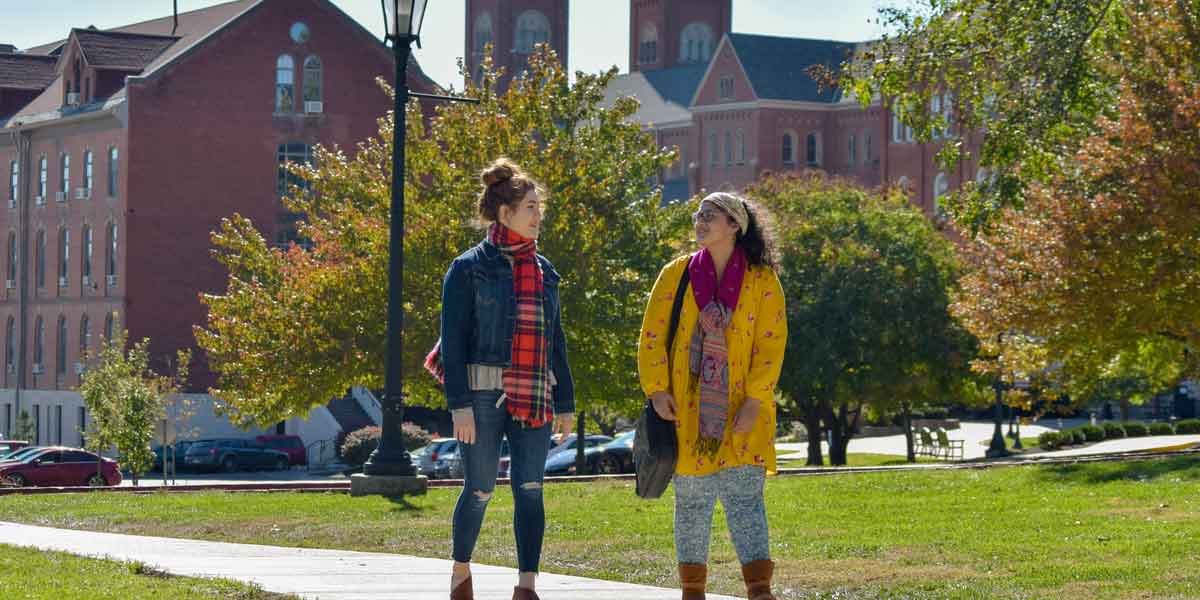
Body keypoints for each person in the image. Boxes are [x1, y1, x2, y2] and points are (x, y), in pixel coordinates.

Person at [638, 191, 788, 600]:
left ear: (734, 226)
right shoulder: (677, 274)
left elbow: (771, 344)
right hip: (686, 410)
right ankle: (692, 591)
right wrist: (657, 391)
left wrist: (756, 400)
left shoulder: (762, 280)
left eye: (712, 215)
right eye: (699, 214)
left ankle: (759, 589)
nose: (700, 220)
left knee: (745, 501)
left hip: (744, 409)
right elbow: (651, 337)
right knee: (691, 503)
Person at [439, 158, 575, 600]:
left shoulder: (546, 272)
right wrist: (459, 404)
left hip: (536, 392)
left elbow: (557, 343)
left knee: (531, 489)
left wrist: (567, 402)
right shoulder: (468, 268)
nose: (539, 216)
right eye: (531, 207)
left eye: (540, 208)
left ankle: (526, 586)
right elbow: (453, 341)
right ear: (505, 214)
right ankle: (461, 573)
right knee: (479, 490)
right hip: (481, 395)